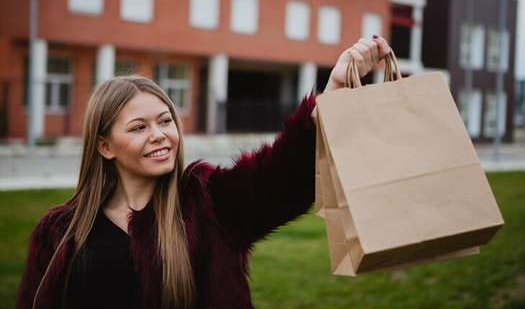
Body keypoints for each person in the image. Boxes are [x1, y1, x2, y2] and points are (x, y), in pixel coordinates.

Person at [17, 36, 392, 309]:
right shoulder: (58, 231)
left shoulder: (209, 202)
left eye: (166, 120)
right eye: (138, 127)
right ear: (105, 146)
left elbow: (281, 176)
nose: (160, 134)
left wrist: (337, 87)